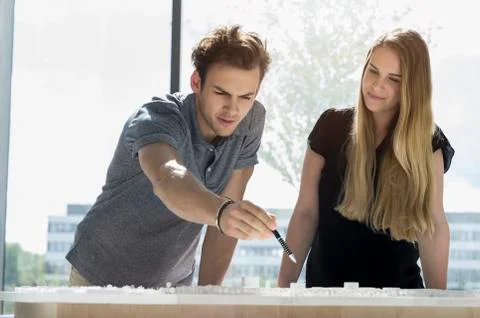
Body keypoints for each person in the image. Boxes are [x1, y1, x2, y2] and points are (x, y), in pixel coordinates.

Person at [66, 25, 276, 288]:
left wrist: (207, 295)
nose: (233, 109)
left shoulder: (251, 120)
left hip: (172, 281)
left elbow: (225, 219)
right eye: (221, 93)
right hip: (102, 273)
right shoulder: (159, 116)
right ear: (196, 82)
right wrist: (222, 212)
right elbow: (169, 178)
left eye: (246, 96)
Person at [277, 29, 455, 289]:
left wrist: (438, 303)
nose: (376, 85)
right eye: (373, 71)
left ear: (411, 87)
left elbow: (433, 224)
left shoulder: (428, 142)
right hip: (325, 296)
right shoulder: (330, 126)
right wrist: (283, 286)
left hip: (400, 300)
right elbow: (305, 213)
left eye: (393, 79)